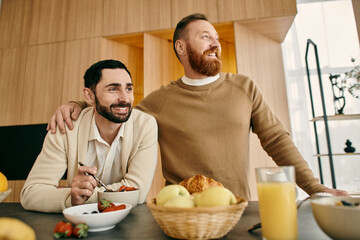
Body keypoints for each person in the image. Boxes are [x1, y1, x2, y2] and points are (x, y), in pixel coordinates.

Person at [47, 14, 348, 199]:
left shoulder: (243, 87)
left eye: (216, 37)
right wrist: (77, 104)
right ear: (181, 47)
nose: (215, 43)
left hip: (236, 212)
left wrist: (315, 188)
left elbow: (277, 140)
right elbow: (114, 115)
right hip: (180, 219)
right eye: (205, 37)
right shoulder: (158, 101)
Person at [21, 60, 158, 213]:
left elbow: (136, 193)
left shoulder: (145, 125)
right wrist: (71, 198)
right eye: (113, 89)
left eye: (129, 89)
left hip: (131, 223)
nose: (125, 99)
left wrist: (80, 198)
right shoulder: (66, 125)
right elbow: (31, 194)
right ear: (90, 95)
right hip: (78, 226)